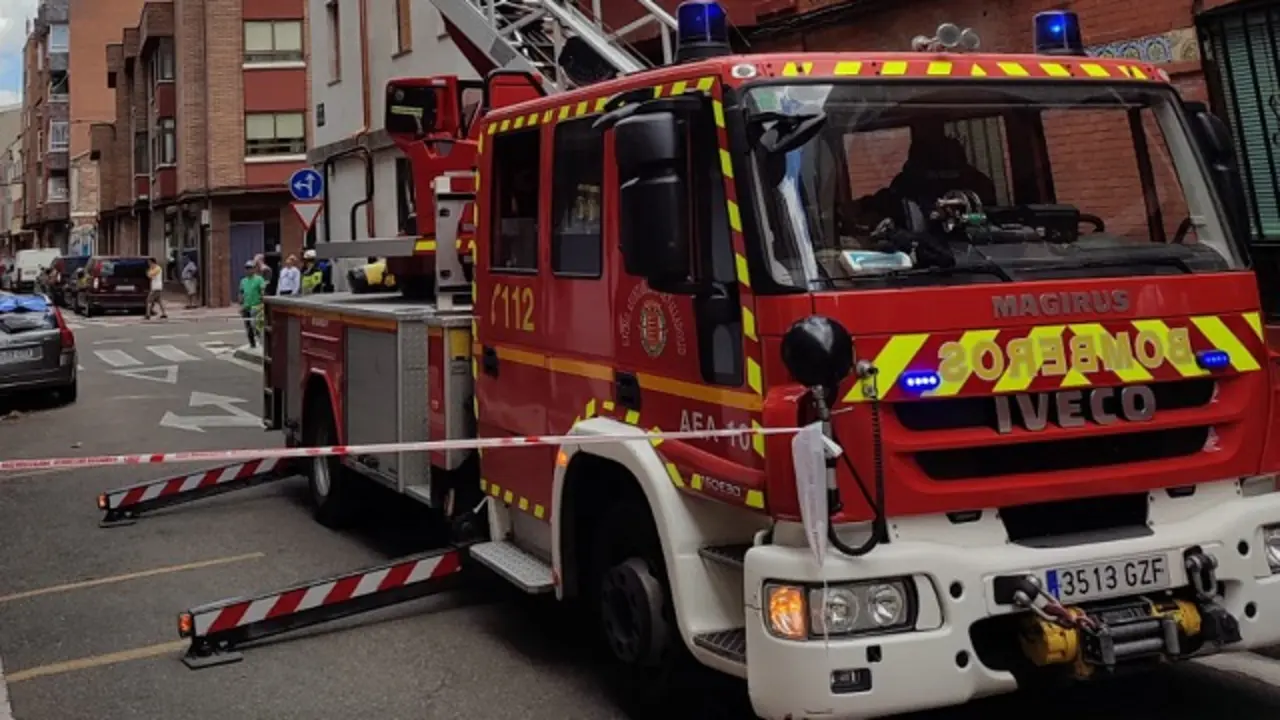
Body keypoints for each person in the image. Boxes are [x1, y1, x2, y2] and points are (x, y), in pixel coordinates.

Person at [239, 260, 267, 348]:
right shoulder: (243, 281)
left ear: (254, 269)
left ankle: (260, 338)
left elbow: (262, 291)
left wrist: (263, 301)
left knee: (254, 324)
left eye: (250, 268)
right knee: (248, 327)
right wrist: (241, 304)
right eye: (247, 268)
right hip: (246, 306)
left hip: (256, 306)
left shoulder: (259, 279)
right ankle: (252, 344)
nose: (248, 270)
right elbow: (241, 292)